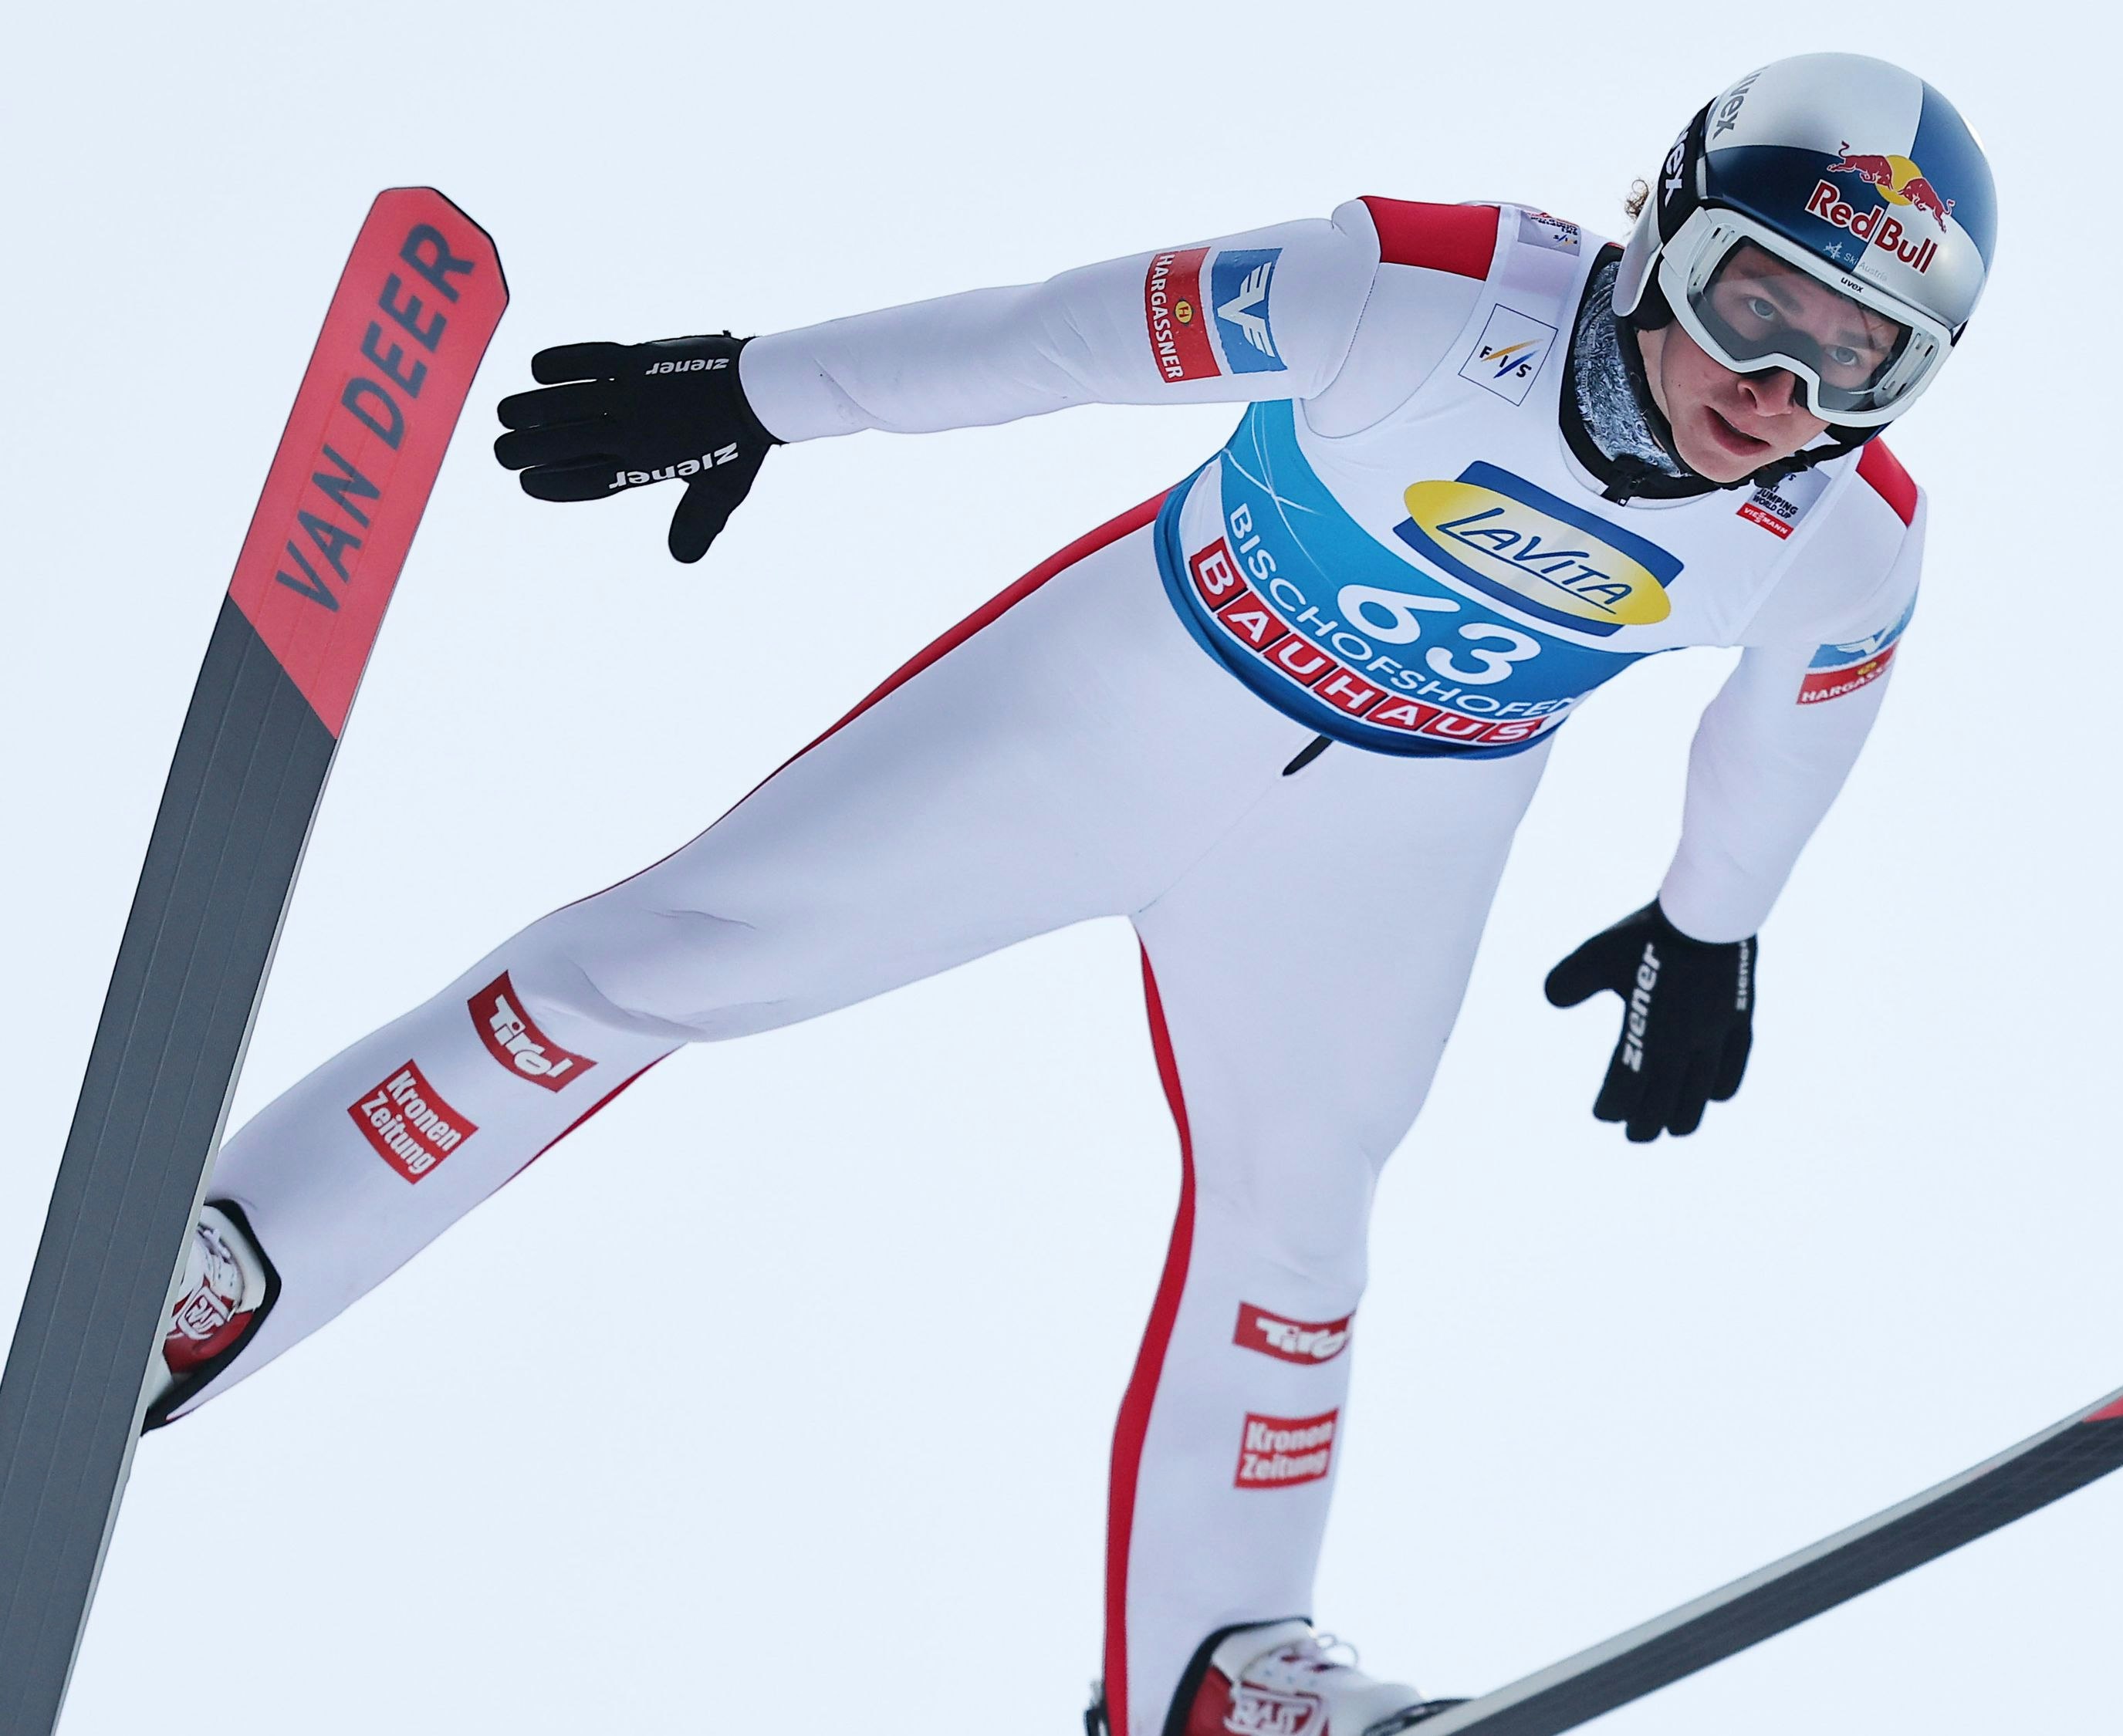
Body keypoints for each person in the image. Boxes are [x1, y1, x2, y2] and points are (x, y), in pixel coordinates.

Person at [142, 52, 1997, 1736]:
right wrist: (754, 391)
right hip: (1109, 706)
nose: (1778, 388)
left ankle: (1222, 1666)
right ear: (1663, 228)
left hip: (1386, 853)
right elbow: (1057, 340)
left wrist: (1709, 918)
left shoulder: (1844, 538)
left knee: (1300, 1227)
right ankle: (233, 1256)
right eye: (1761, 300)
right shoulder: (1419, 294)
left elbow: (1796, 726)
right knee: (646, 965)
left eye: (1859, 358)